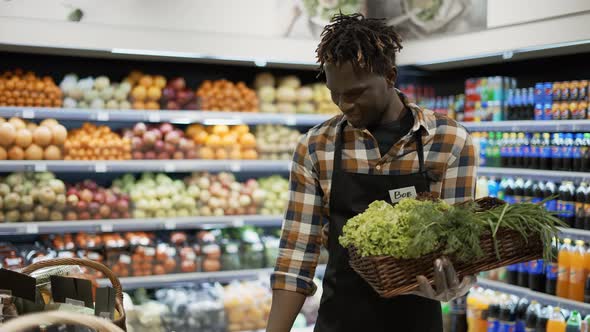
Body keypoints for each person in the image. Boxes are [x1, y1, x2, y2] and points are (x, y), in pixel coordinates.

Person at [266, 13, 478, 332]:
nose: (343, 105)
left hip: (417, 322)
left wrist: (454, 285)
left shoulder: (449, 142)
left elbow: (461, 250)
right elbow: (297, 254)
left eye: (355, 93)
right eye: (335, 94)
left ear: (390, 76)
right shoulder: (315, 147)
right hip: (340, 321)